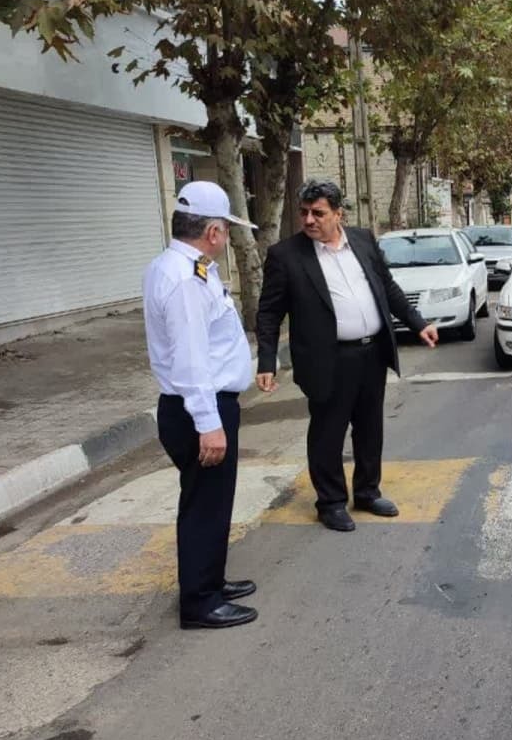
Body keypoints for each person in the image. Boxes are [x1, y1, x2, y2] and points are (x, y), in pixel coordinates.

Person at [255, 179, 438, 532]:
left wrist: (418, 323)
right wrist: (266, 360)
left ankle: (367, 492)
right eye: (304, 213)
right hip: (327, 360)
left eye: (318, 213)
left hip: (371, 353)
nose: (309, 220)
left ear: (338, 214)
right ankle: (331, 502)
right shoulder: (286, 256)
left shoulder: (363, 241)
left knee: (370, 429)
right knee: (328, 432)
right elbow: (268, 312)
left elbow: (387, 286)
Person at [142, 181, 258, 630]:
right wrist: (209, 424)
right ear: (212, 231)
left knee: (211, 502)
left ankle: (211, 580)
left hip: (196, 406)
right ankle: (200, 602)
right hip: (199, 410)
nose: (227, 237)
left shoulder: (174, 267)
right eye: (226, 229)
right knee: (204, 506)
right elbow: (190, 357)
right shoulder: (187, 279)